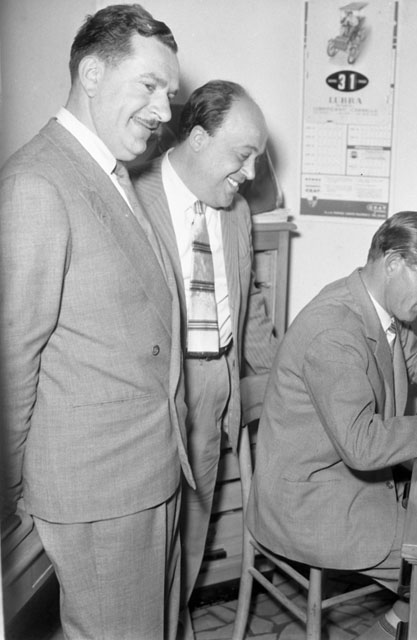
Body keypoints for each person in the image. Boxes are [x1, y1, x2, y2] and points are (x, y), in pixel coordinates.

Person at [0, 5, 193, 639]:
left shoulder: (110, 172)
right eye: (150, 86)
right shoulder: (36, 182)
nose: (164, 110)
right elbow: (11, 361)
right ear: (91, 73)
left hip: (146, 472)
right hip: (99, 489)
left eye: (169, 93)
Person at [246, 211, 417, 639]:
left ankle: (395, 623)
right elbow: (364, 445)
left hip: (348, 483)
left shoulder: (373, 307)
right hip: (311, 505)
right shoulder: (334, 331)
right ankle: (408, 620)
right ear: (393, 263)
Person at [133, 79, 278, 639]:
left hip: (215, 387)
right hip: (154, 397)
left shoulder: (235, 210)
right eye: (242, 155)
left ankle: (175, 626)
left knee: (190, 539)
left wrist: (287, 379)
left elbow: (249, 306)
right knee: (145, 551)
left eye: (257, 158)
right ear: (197, 138)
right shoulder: (131, 194)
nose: (251, 173)